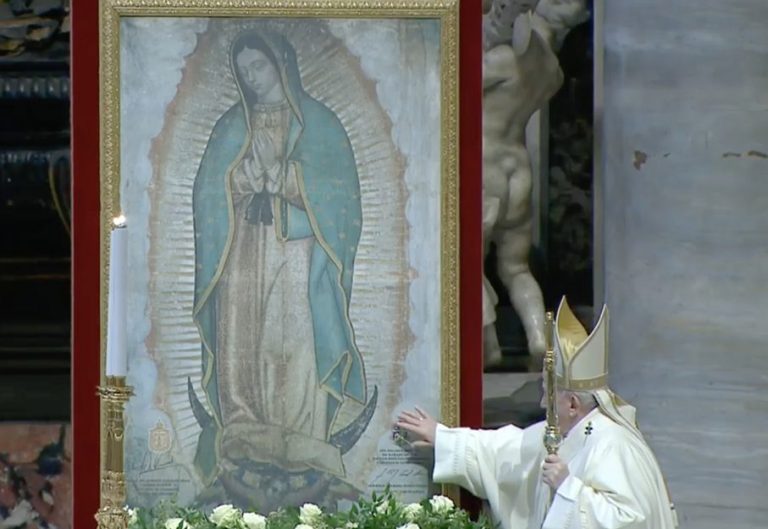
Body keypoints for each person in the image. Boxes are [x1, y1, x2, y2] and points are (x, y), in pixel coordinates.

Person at [190, 29, 367, 488]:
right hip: (243, 252)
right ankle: (244, 429)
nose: (252, 77)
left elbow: (341, 199)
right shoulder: (231, 126)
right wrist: (242, 179)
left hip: (295, 252)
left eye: (259, 66)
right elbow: (208, 192)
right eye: (244, 71)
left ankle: (300, 435)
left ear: (281, 63)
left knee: (292, 337)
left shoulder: (318, 124)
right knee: (243, 337)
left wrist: (284, 176)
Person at [397, 298, 678, 529]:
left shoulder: (614, 445)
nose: (544, 403)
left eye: (549, 394)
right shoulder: (567, 435)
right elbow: (507, 451)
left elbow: (631, 521)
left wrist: (568, 488)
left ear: (572, 404)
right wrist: (443, 438)